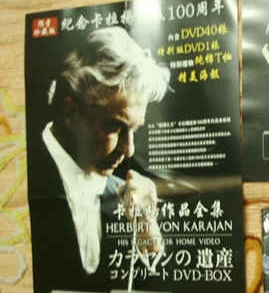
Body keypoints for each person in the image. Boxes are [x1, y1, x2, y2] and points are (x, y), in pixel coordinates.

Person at [31, 26, 169, 275]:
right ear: (71, 112)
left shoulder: (124, 196)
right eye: (115, 127)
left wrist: (147, 230)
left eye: (134, 130)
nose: (129, 150)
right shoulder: (24, 174)